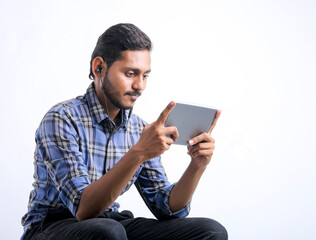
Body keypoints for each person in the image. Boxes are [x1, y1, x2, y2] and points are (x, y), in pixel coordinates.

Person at [21, 23, 227, 240]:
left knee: (210, 231)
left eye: (145, 75)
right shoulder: (62, 118)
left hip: (110, 222)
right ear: (99, 67)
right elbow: (83, 209)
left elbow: (166, 208)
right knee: (109, 231)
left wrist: (197, 165)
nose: (140, 85)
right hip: (52, 226)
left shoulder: (139, 129)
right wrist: (138, 153)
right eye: (130, 73)